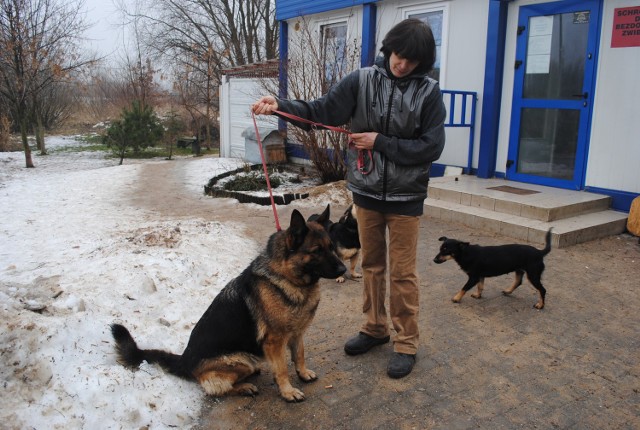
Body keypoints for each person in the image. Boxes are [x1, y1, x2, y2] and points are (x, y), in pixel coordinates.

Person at [252, 18, 446, 378]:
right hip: (367, 193)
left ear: (422, 62)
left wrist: (380, 142)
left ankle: (405, 342)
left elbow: (431, 147)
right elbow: (321, 110)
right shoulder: (362, 80)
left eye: (411, 61)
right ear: (390, 49)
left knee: (403, 273)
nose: (402, 64)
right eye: (399, 55)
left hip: (406, 199)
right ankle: (375, 327)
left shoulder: (428, 92)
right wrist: (279, 104)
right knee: (371, 265)